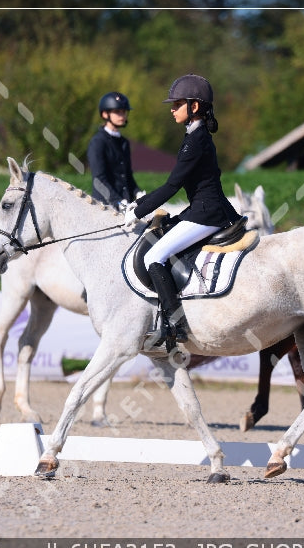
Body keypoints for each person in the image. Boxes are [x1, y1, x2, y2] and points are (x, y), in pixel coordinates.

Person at [122, 74, 241, 346]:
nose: (172, 109)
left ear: (194, 107)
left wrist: (139, 212)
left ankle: (175, 324)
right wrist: (140, 203)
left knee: (154, 256)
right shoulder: (195, 137)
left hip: (206, 213)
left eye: (177, 104)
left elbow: (173, 185)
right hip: (202, 209)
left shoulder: (195, 140)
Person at [87, 91, 141, 208]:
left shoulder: (124, 142)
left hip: (125, 203)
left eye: (124, 112)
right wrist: (117, 201)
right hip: (105, 205)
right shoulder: (98, 142)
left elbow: (127, 175)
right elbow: (99, 180)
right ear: (105, 114)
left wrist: (138, 192)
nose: (122, 115)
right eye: (117, 112)